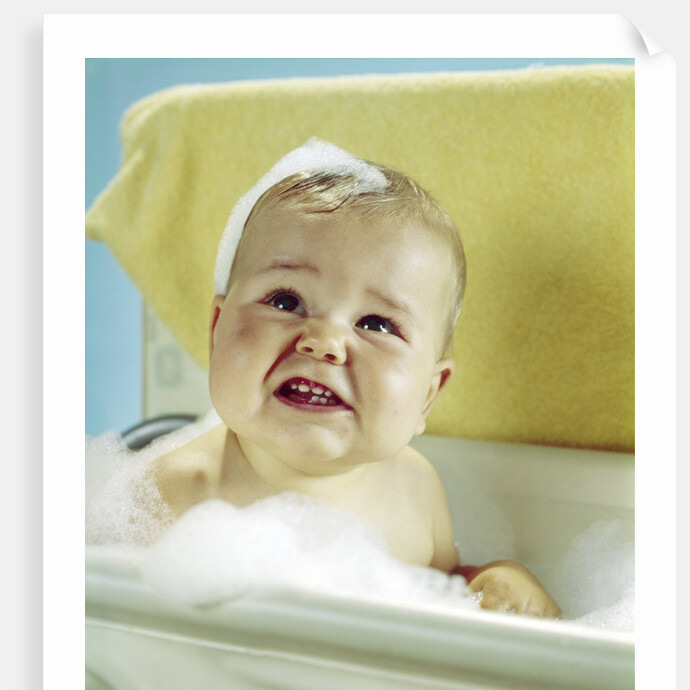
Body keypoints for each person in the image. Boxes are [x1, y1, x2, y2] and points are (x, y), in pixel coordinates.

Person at [154, 139, 560, 618]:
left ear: (427, 397)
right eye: (285, 301)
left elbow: (445, 590)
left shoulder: (415, 489)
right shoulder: (170, 495)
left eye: (377, 324)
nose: (324, 341)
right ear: (217, 331)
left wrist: (495, 578)